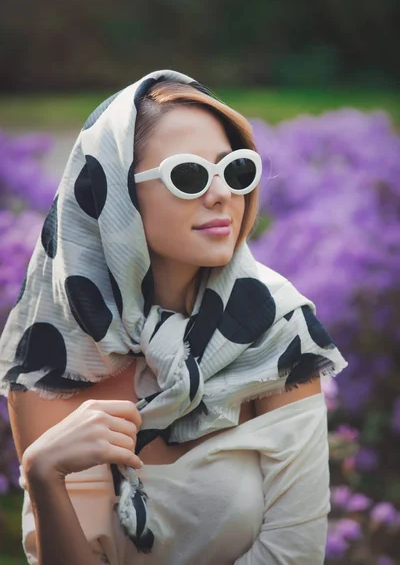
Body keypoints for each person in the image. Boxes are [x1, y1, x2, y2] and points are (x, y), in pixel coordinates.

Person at [1, 69, 348, 564]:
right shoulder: (52, 359)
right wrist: (43, 475)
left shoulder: (273, 331)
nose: (222, 194)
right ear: (115, 197)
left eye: (237, 171)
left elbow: (294, 552)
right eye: (188, 176)